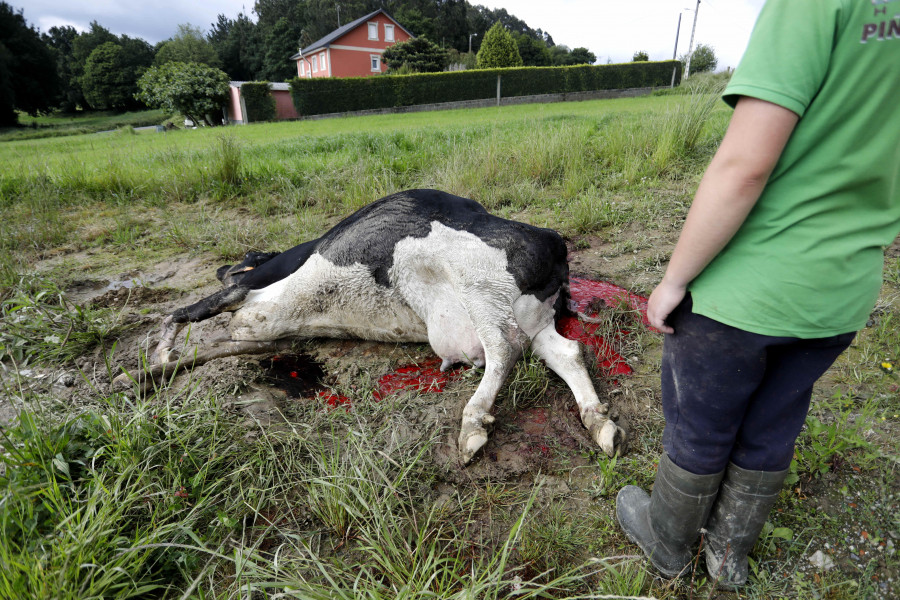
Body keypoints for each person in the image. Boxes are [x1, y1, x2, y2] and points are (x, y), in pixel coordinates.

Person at [615, 0, 900, 589]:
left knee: (702, 424)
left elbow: (744, 166)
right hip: (841, 291)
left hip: (746, 290)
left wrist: (673, 281)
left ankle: (668, 540)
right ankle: (728, 554)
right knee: (775, 420)